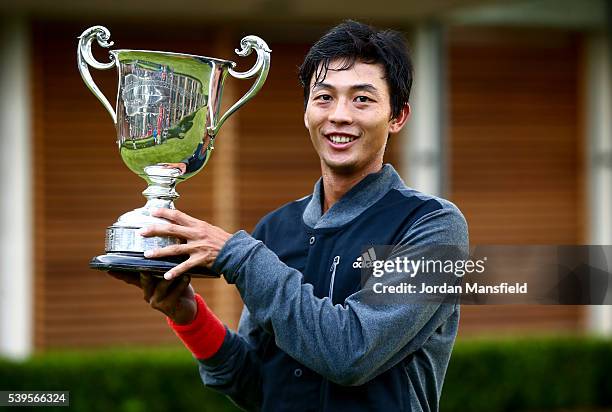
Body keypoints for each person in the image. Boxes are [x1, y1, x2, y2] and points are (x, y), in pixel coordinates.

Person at [110, 20, 468, 412]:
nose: (340, 115)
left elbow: (353, 353)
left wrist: (239, 255)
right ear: (306, 112)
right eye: (324, 97)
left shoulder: (433, 226)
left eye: (362, 99)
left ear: (397, 116)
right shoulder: (275, 229)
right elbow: (258, 385)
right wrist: (188, 315)